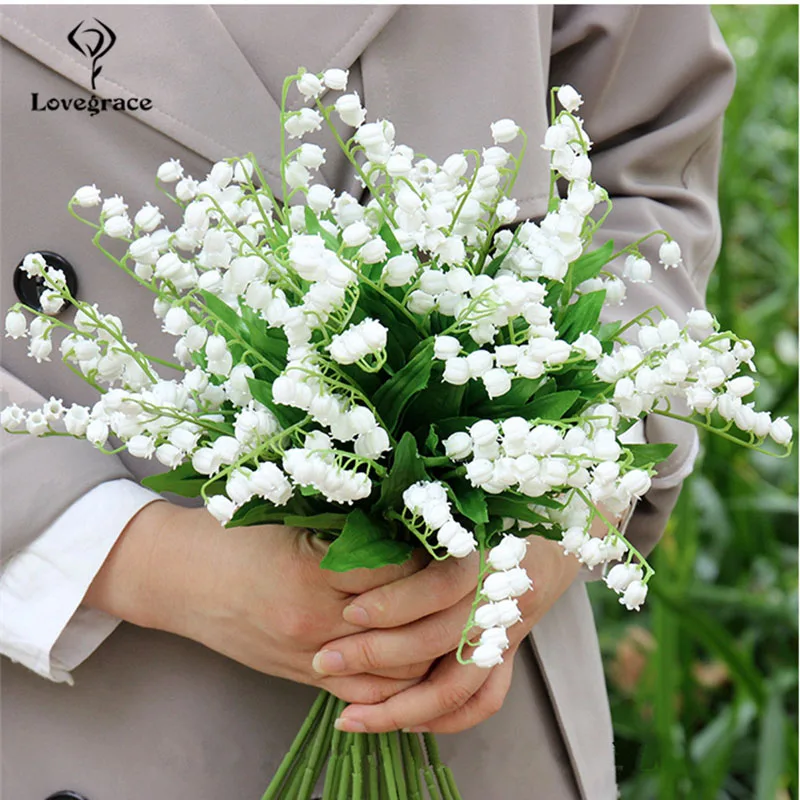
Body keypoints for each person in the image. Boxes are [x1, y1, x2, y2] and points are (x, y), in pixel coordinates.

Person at [0, 6, 735, 799]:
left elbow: (644, 148)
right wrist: (141, 560)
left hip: (479, 683)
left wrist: (566, 504)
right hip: (93, 700)